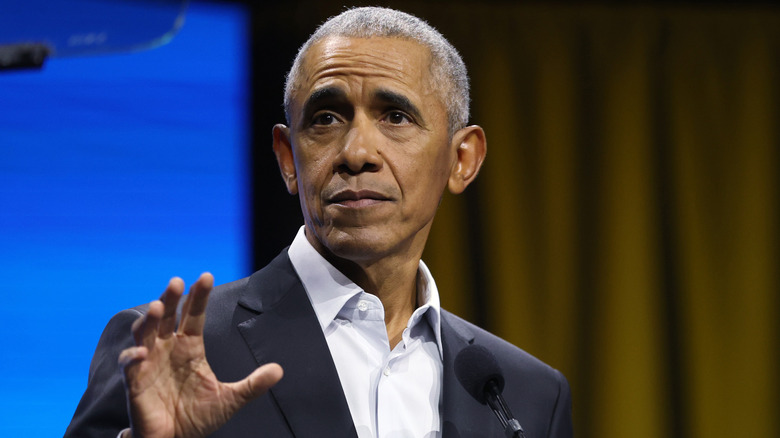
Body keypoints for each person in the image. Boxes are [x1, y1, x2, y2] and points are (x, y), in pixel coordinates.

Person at [65, 7, 572, 438]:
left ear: (462, 159)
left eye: (395, 117)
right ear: (288, 158)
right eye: (326, 118)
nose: (356, 153)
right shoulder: (165, 353)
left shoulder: (524, 394)